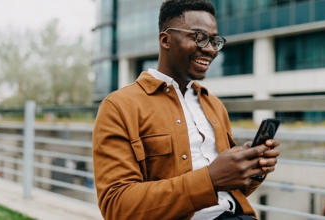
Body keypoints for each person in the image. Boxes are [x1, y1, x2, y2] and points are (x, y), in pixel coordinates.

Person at [92, 0, 280, 219]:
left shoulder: (214, 105)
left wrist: (249, 168)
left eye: (214, 40)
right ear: (166, 40)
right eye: (199, 37)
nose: (210, 49)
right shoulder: (119, 107)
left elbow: (230, 193)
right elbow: (117, 207)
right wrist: (210, 179)